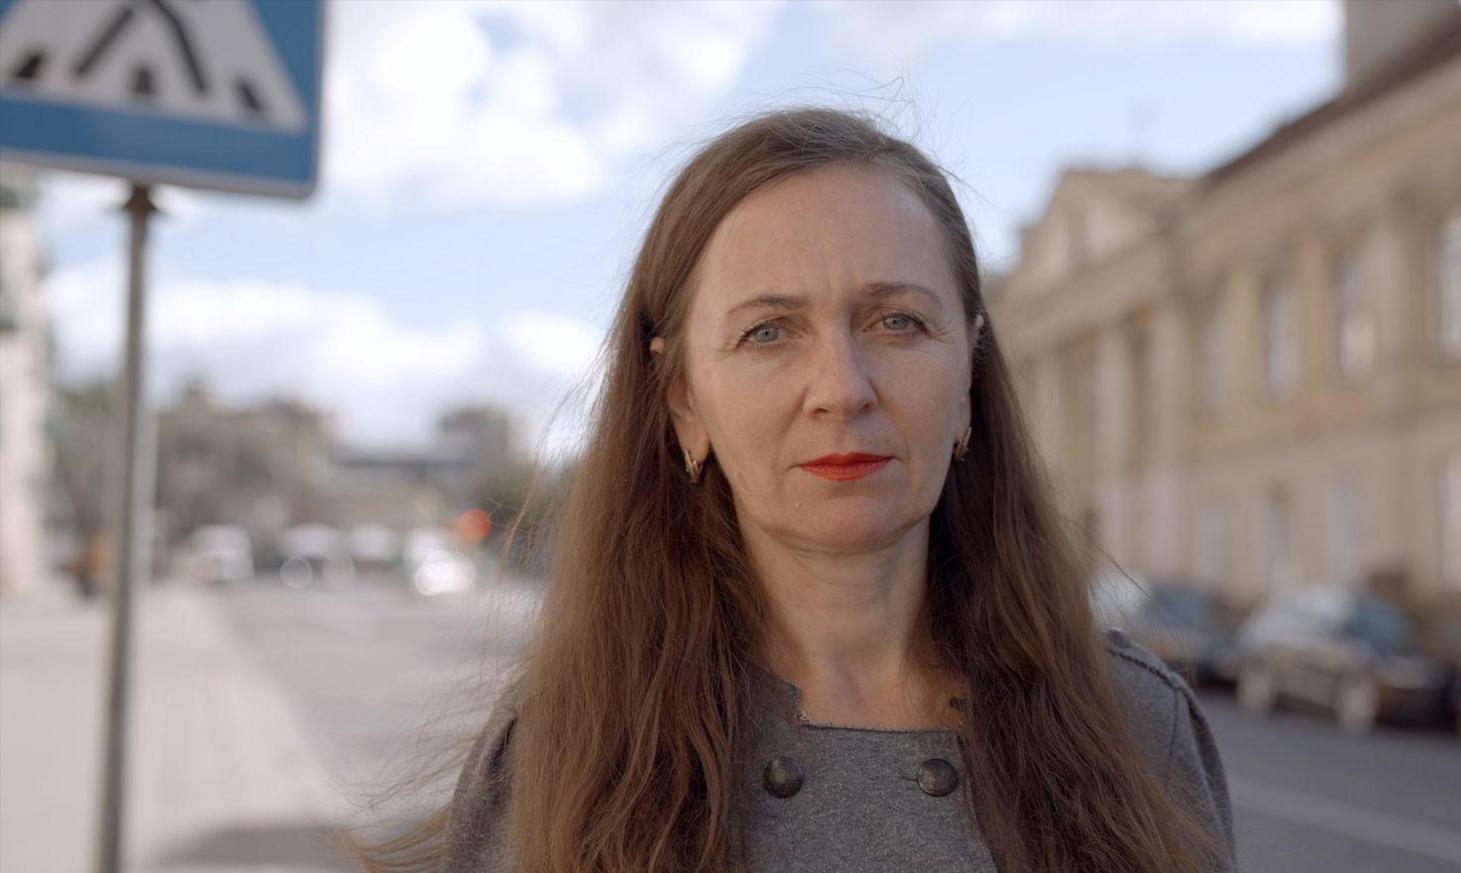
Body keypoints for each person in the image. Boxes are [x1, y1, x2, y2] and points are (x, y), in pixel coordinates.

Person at [357, 107, 1235, 873]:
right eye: (769, 331)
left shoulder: (1136, 724)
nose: (842, 387)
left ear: (969, 373)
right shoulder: (562, 752)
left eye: (898, 321)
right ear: (684, 401)